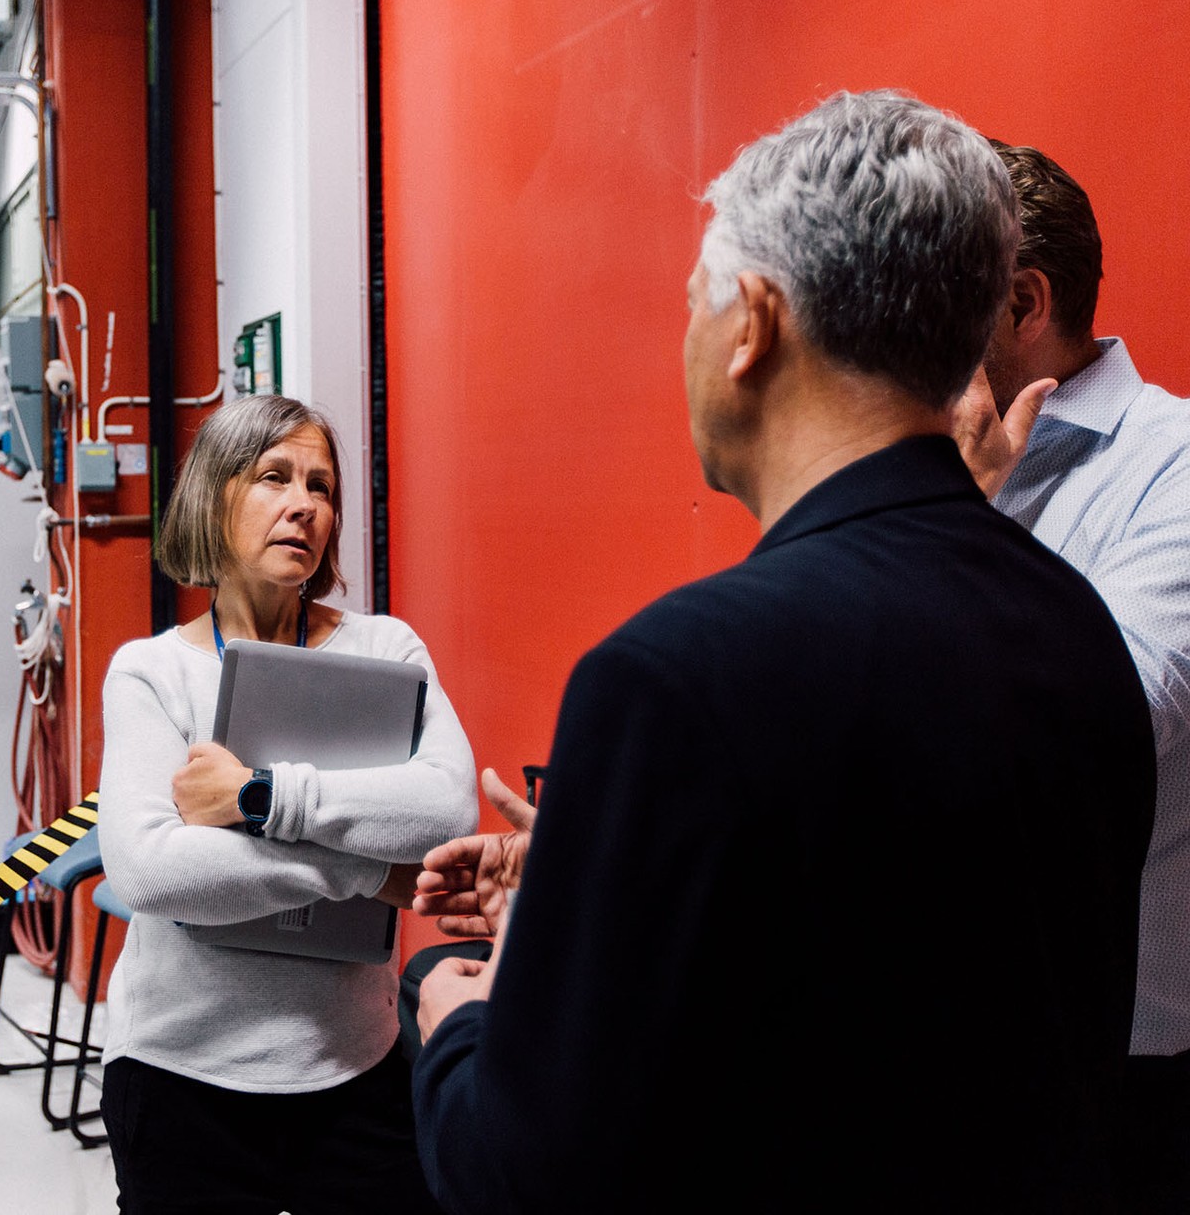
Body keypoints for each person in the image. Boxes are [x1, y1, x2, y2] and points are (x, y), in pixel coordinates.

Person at [408, 91, 1156, 1212]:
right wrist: (595, 897)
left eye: (693, 302)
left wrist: (461, 1011)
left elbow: (524, 1170)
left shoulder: (671, 677)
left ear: (751, 319)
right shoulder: (1074, 626)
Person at [97, 394, 478, 1213]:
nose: (305, 503)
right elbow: (153, 875)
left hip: (356, 1070)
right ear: (214, 495)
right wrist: (369, 871)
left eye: (322, 486)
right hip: (181, 1077)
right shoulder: (150, 672)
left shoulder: (387, 650)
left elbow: (446, 809)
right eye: (274, 477)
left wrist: (256, 797)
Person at [955, 142, 1190, 1211]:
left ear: (1023, 300)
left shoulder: (1175, 463)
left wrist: (958, 525)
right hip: (957, 1048)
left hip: (1133, 1073)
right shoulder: (928, 468)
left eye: (932, 295)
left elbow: (1111, 718)